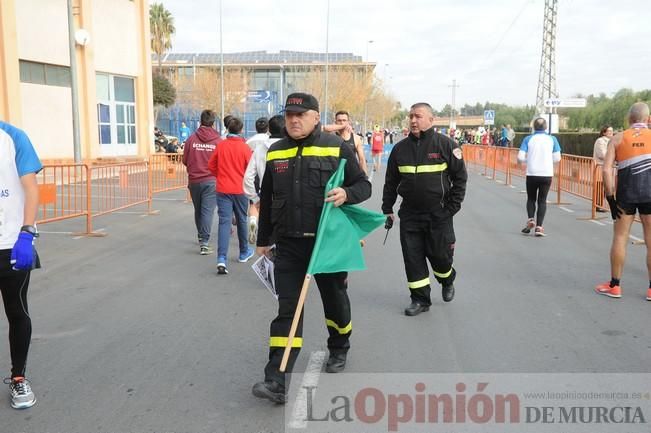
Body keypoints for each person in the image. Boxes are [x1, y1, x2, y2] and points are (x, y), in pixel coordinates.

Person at [252, 93, 371, 404]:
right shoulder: (276, 151)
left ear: (316, 117)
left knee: (335, 301)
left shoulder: (336, 147)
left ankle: (339, 346)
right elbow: (267, 200)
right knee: (287, 311)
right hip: (288, 246)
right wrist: (263, 240)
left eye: (301, 114)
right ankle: (276, 379)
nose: (293, 119)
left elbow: (363, 185)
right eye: (290, 114)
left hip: (326, 244)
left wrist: (346, 192)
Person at [382, 103, 467, 316]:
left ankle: (447, 279)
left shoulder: (446, 145)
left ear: (431, 119)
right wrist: (387, 207)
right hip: (410, 215)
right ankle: (420, 300)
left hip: (439, 215)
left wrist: (450, 208)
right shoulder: (400, 149)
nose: (413, 120)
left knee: (440, 257)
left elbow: (460, 179)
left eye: (418, 116)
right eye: (410, 116)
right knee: (413, 258)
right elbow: (391, 181)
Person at [0, 120, 42, 409]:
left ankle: (18, 378)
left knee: (17, 311)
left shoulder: (13, 137)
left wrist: (26, 233)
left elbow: (31, 188)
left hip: (10, 243)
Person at [595, 102, 651, 300]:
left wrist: (610, 198)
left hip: (626, 195)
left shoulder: (618, 138)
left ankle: (615, 286)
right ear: (648, 119)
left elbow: (605, 169)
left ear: (629, 120)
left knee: (620, 238)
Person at [208, 117, 253, 275]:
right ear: (241, 130)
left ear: (227, 129)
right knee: (241, 219)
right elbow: (250, 170)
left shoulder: (221, 146)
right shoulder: (245, 148)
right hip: (240, 189)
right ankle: (243, 252)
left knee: (224, 223)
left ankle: (221, 258)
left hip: (223, 188)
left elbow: (211, 165)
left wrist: (220, 175)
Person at [182, 109, 221, 255]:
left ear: (201, 121)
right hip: (211, 180)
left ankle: (201, 236)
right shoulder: (218, 141)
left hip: (194, 180)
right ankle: (204, 242)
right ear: (213, 122)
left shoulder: (191, 139)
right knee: (207, 211)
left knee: (199, 210)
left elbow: (185, 160)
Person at [243, 115, 285, 244]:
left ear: (269, 130)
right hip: (288, 198)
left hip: (266, 197)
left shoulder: (260, 148)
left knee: (267, 241)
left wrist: (255, 199)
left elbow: (248, 177)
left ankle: (253, 220)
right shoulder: (290, 147)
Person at [518, 117, 561, 237]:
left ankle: (531, 219)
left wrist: (529, 159)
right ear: (546, 127)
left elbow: (521, 157)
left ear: (534, 127)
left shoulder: (528, 139)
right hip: (546, 173)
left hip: (532, 173)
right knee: (542, 200)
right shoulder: (552, 139)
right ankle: (539, 227)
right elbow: (557, 158)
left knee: (531, 198)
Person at [334, 110, 368, 175]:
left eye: (344, 120)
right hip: (335, 174)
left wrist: (365, 178)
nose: (342, 123)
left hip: (351, 174)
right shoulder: (331, 136)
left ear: (348, 122)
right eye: (339, 120)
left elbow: (362, 159)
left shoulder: (356, 138)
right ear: (335, 122)